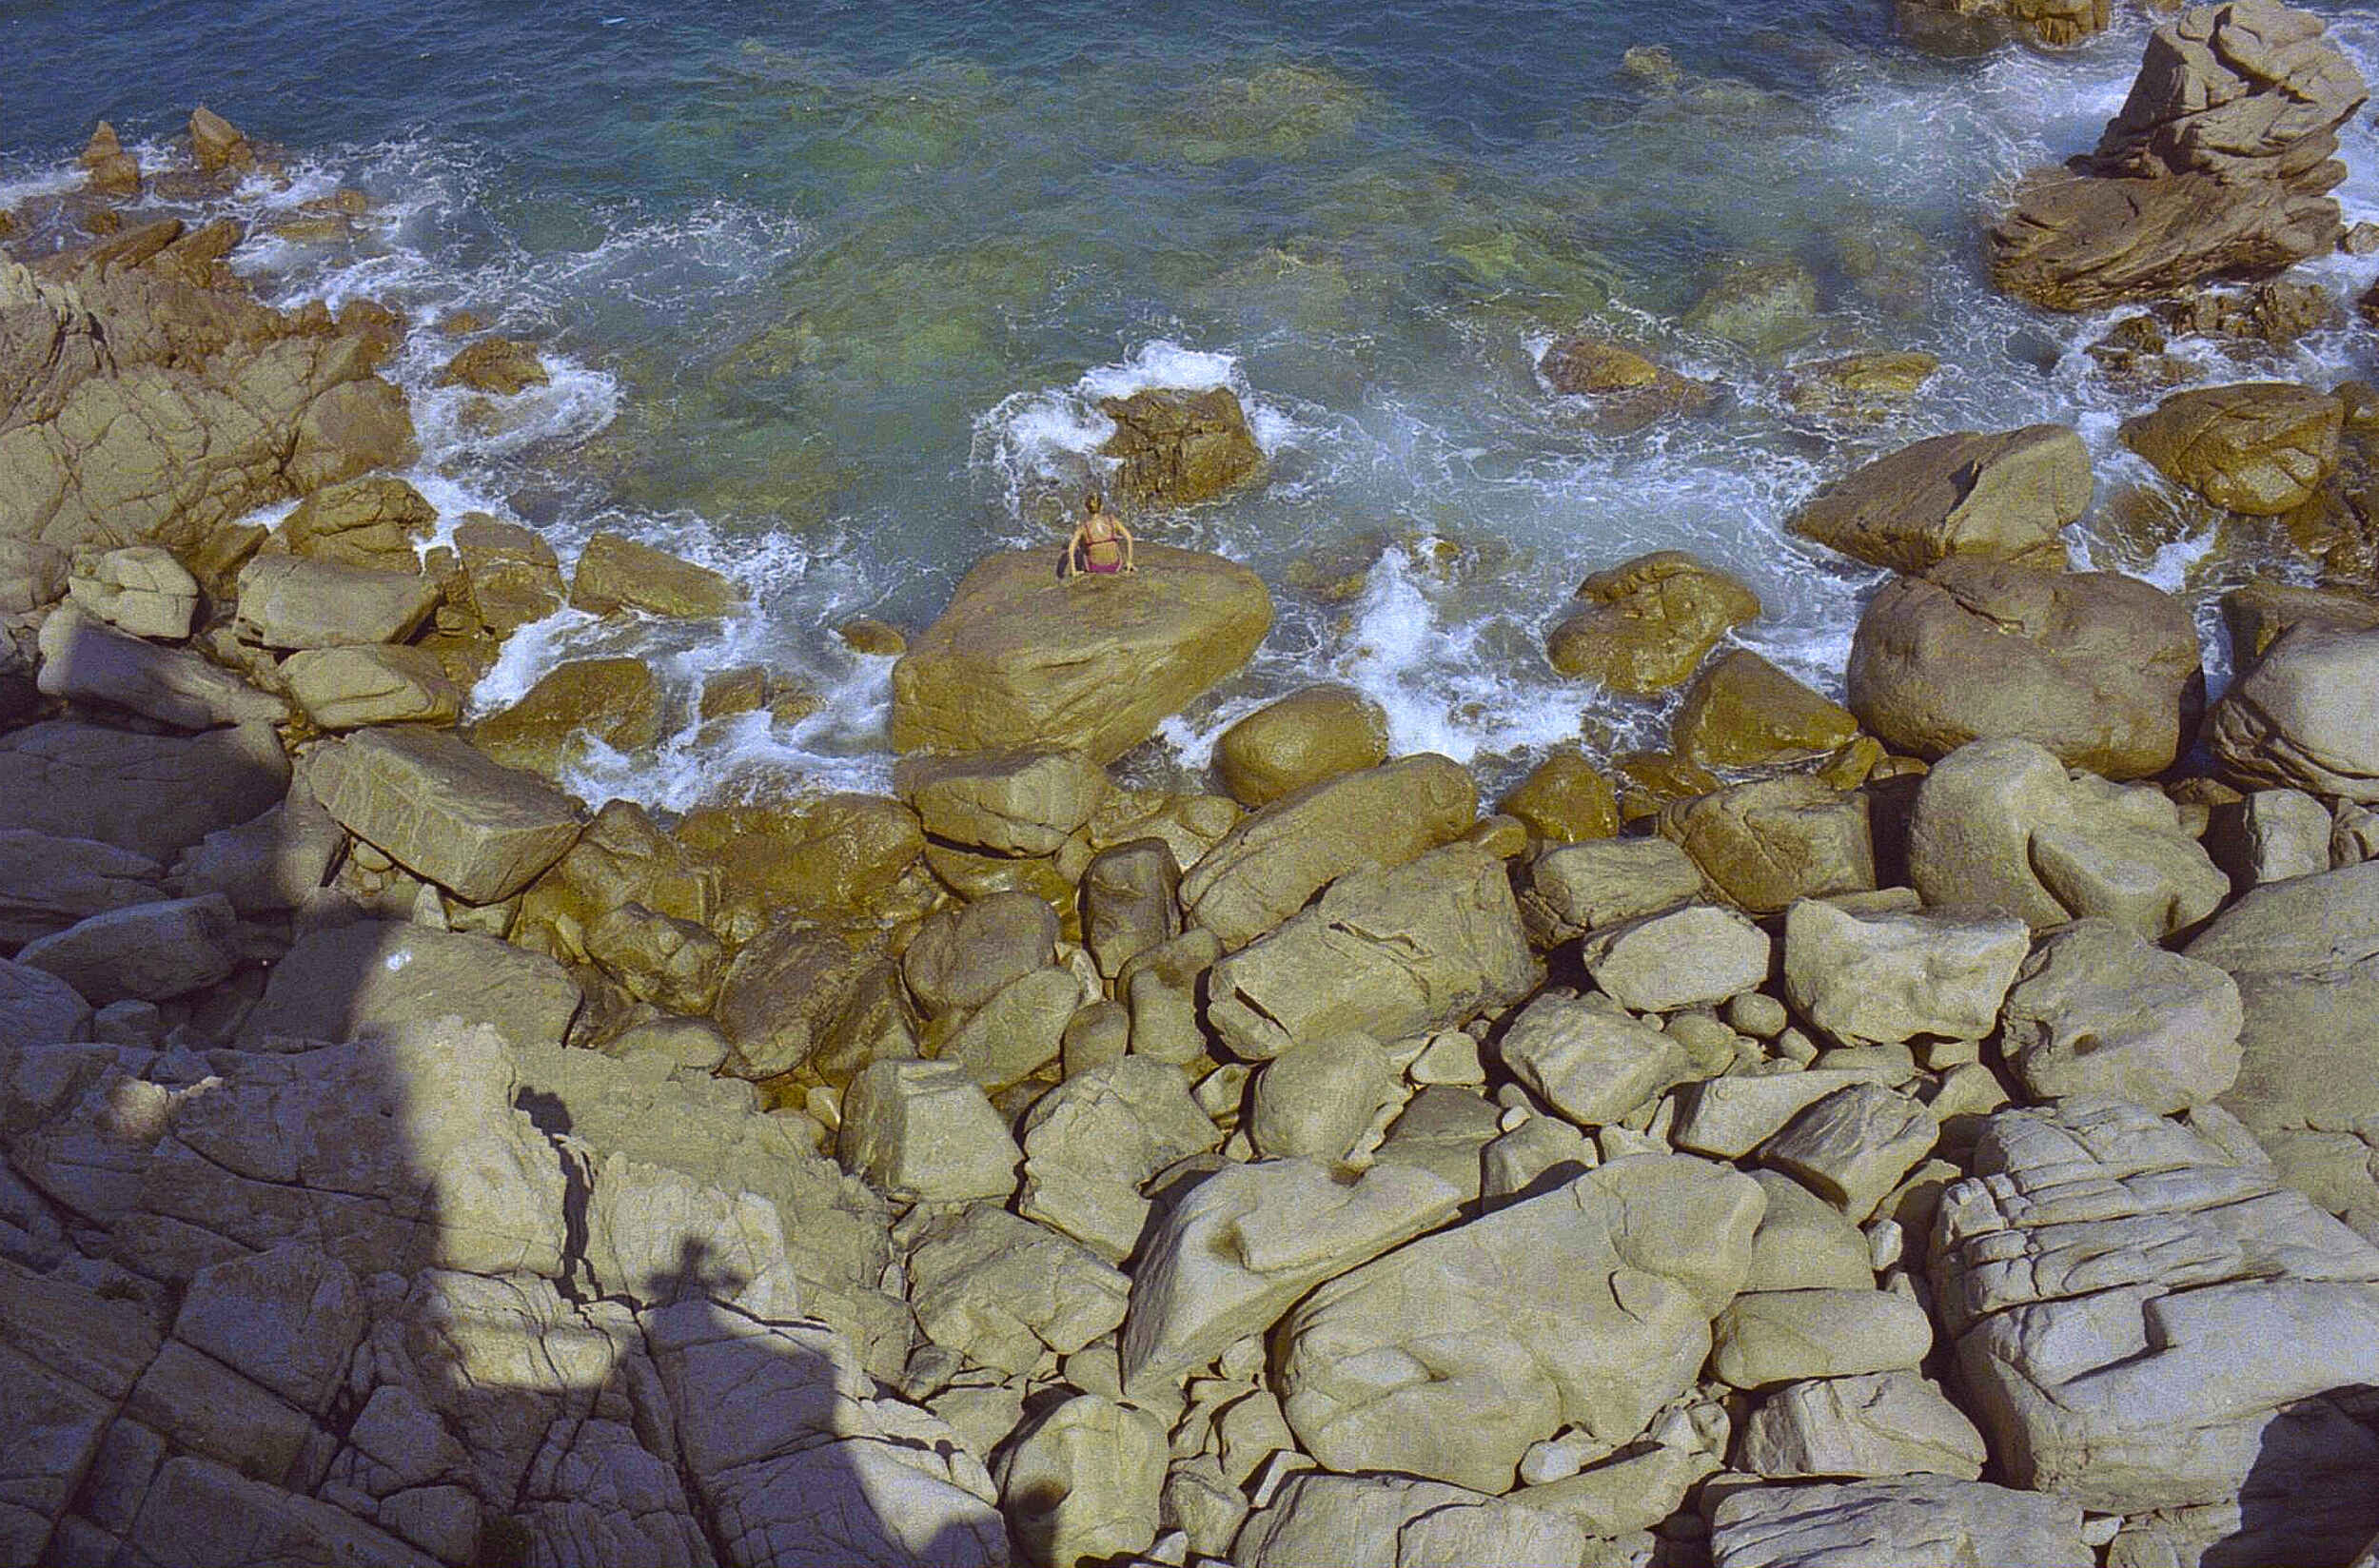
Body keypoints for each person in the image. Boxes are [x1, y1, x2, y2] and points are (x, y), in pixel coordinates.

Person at [1062, 492, 1136, 578]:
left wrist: (1073, 571)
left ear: (1086, 509)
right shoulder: (1112, 520)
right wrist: (1129, 561)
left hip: (1094, 568)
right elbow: (1129, 538)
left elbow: (1071, 548)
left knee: (1081, 545)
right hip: (1115, 566)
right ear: (1102, 507)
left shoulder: (1084, 527)